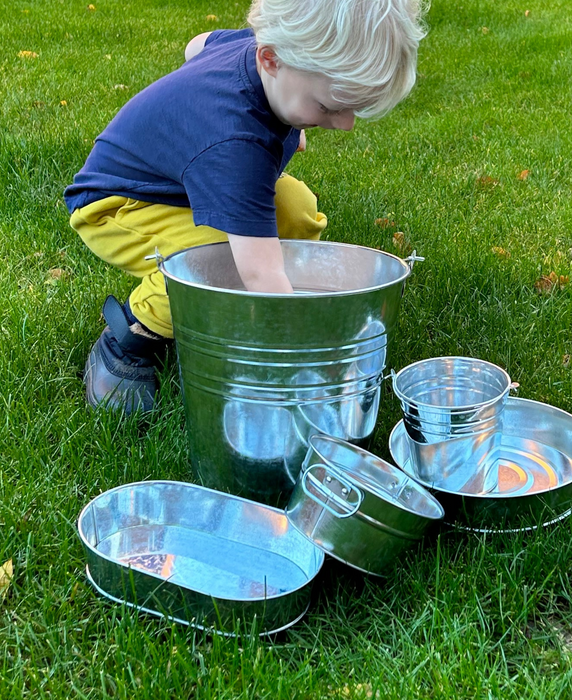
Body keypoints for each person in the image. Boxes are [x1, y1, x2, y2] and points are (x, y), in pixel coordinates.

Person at [64, 0, 426, 413]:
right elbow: (259, 269)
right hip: (119, 204)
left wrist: (296, 120)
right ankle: (131, 335)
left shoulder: (260, 53)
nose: (345, 124)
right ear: (270, 60)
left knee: (296, 208)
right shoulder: (236, 149)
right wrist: (306, 354)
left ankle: (252, 305)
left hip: (188, 182)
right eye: (329, 107)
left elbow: (197, 46)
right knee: (213, 265)